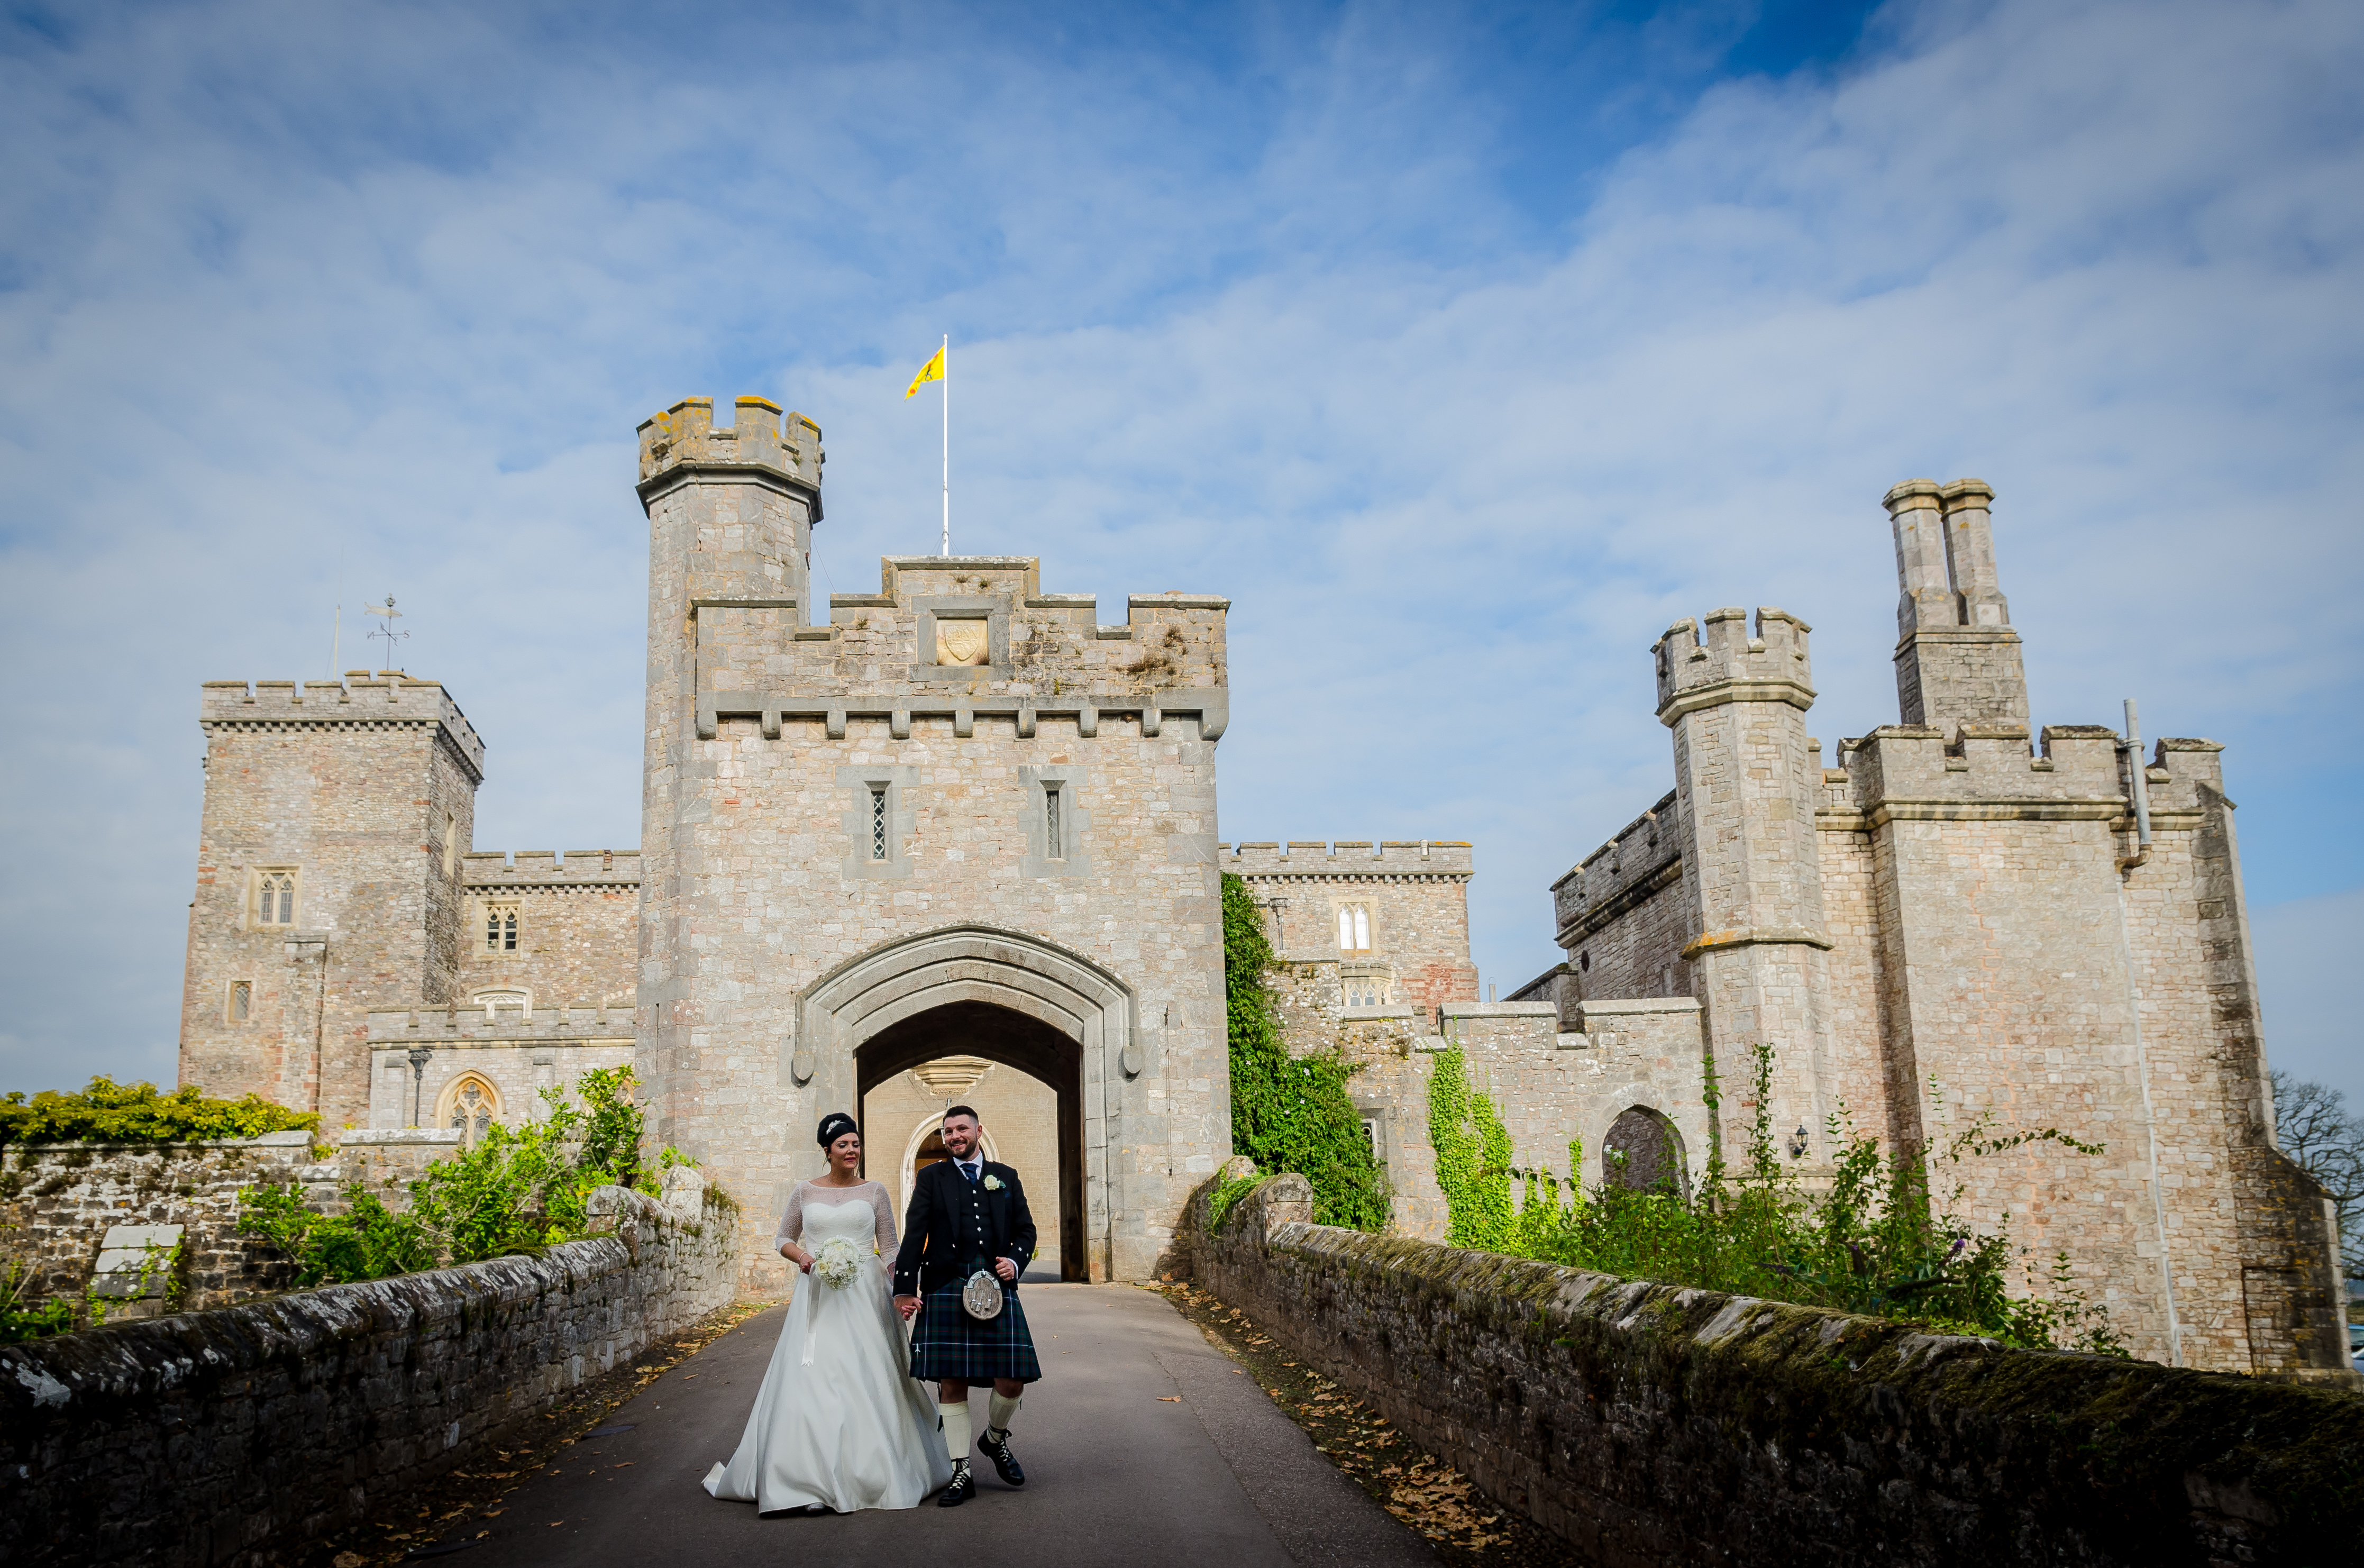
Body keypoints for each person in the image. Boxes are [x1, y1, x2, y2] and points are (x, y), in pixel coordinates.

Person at [704, 1113, 953, 1513]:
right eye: (843, 1145)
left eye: (855, 1144)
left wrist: (901, 1289)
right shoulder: (804, 1192)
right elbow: (783, 1237)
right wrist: (804, 1257)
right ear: (827, 1151)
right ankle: (808, 1481)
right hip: (817, 1294)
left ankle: (871, 1473)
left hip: (866, 1297)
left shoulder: (875, 1192)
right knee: (811, 1378)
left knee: (867, 1376)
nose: (852, 1151)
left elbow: (889, 1247)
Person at [891, 1103, 1043, 1507]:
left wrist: (1014, 1261)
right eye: (947, 1132)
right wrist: (904, 1287)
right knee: (952, 1381)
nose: (955, 1137)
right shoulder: (931, 1177)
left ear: (978, 1131)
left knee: (1012, 1378)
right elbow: (915, 1232)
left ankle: (994, 1440)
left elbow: (1026, 1230)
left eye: (961, 1129)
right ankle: (962, 1470)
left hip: (996, 1287)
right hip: (944, 1284)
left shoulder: (1004, 1177)